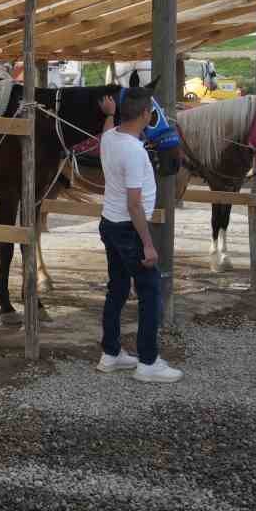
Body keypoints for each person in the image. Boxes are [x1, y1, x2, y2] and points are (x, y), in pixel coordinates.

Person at [94, 87, 182, 383]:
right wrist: (147, 244)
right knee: (149, 292)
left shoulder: (109, 137)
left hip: (109, 223)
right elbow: (134, 203)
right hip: (129, 229)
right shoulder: (134, 151)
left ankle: (111, 353)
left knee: (117, 288)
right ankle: (148, 361)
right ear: (146, 114)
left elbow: (108, 129)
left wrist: (108, 116)